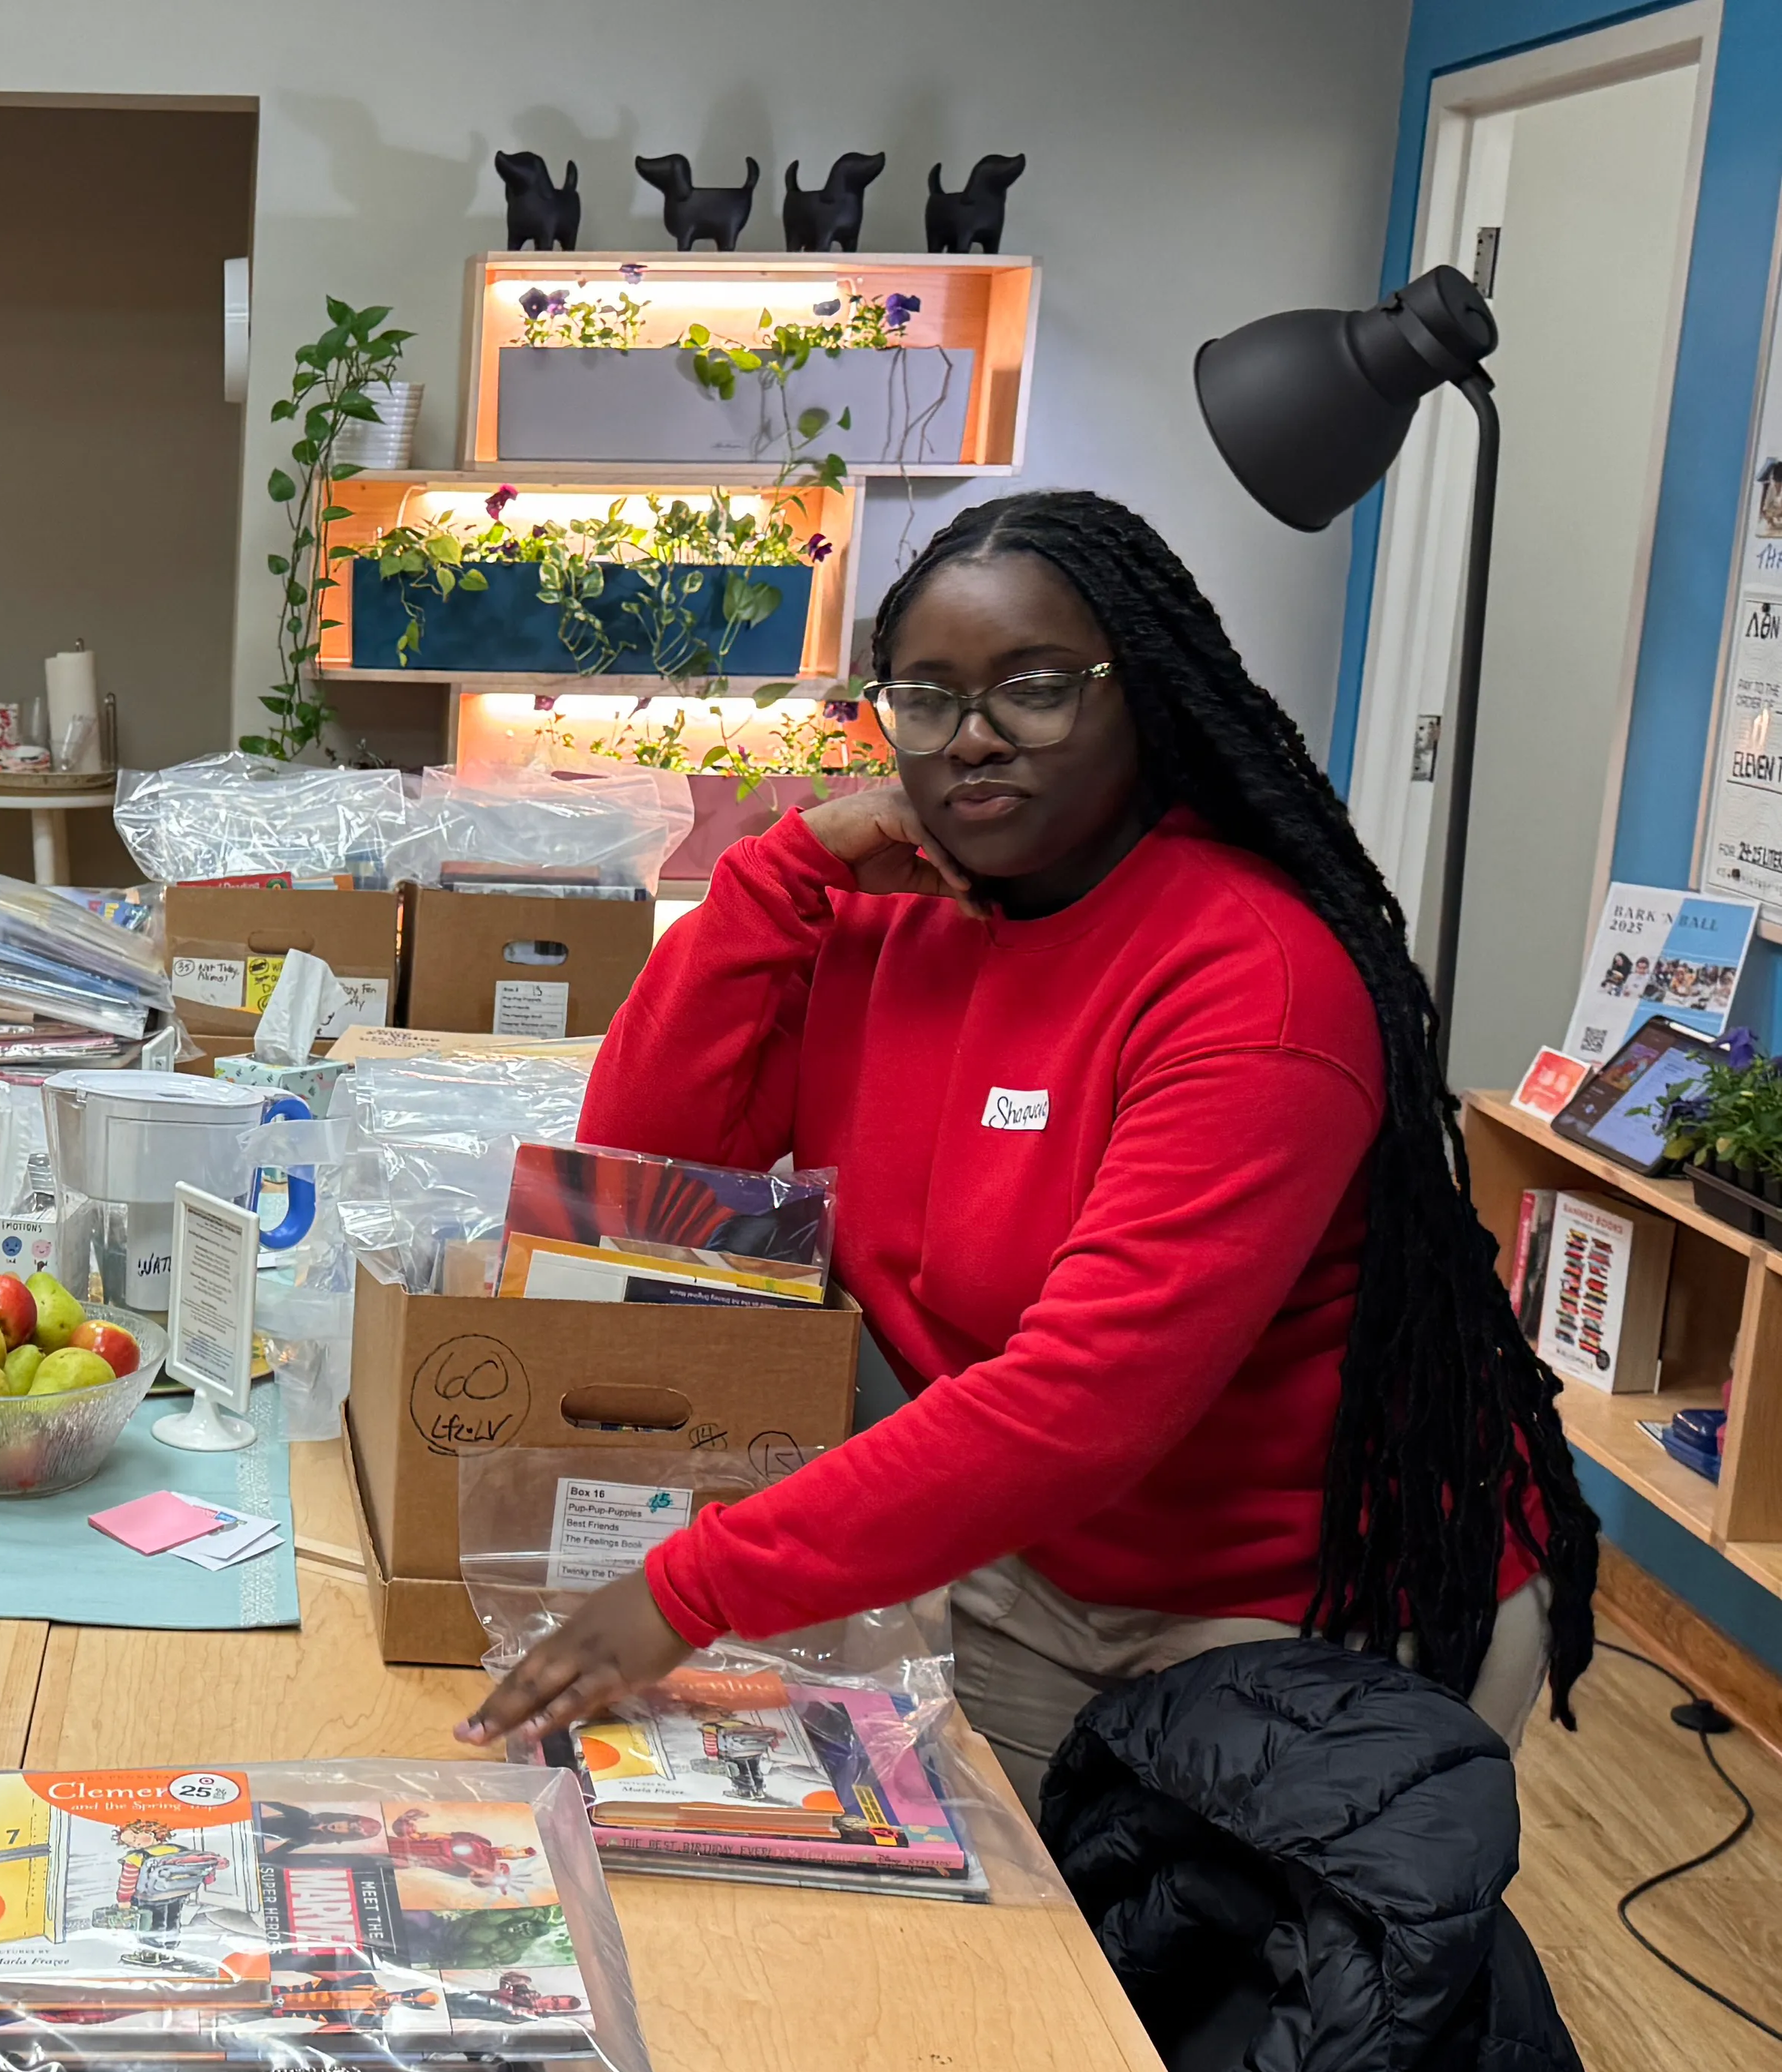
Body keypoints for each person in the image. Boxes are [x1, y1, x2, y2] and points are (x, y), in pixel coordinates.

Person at [460, 490, 1596, 1806]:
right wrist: (781, 873)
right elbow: (648, 1192)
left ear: (1145, 698)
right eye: (926, 698)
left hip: (1309, 1604)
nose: (975, 738)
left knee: (1227, 2011)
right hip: (1033, 1565)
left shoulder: (1256, 977)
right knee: (1022, 1966)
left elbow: (1084, 1403)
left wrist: (686, 1588)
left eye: (1036, 688)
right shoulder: (896, 915)